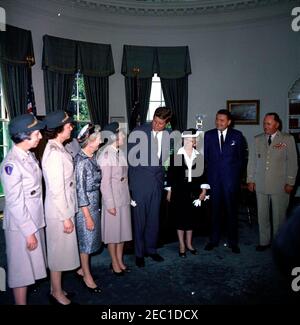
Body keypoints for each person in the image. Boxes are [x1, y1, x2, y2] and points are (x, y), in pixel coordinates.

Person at [0, 114, 47, 305]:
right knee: (21, 272)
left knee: (28, 270)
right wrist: (29, 232)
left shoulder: (27, 156)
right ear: (24, 136)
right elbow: (15, 202)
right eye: (37, 133)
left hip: (33, 219)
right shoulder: (11, 164)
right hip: (21, 226)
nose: (40, 137)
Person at [42, 110, 80, 305]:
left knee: (61, 251)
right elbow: (57, 190)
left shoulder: (59, 147)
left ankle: (55, 288)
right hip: (59, 211)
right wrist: (66, 217)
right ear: (58, 129)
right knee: (57, 252)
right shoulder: (55, 153)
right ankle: (56, 293)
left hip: (62, 208)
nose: (71, 127)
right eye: (68, 126)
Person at [128, 107, 172, 267]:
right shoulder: (138, 132)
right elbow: (130, 161)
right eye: (155, 121)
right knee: (139, 220)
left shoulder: (168, 136)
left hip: (157, 184)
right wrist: (131, 187)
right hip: (140, 183)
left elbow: (164, 161)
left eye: (160, 123)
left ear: (167, 124)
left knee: (154, 219)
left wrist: (165, 184)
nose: (156, 125)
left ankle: (151, 250)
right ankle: (139, 253)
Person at [247, 112, 298, 251]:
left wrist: (290, 182)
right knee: (262, 215)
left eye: (268, 124)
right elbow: (252, 161)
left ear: (277, 124)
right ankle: (264, 241)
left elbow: (293, 163)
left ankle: (278, 243)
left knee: (279, 217)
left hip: (280, 185)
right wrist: (250, 179)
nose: (265, 126)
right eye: (264, 123)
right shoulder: (257, 139)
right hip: (261, 183)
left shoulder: (287, 139)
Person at [204, 109, 245, 254]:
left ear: (229, 122)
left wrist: (235, 178)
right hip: (214, 180)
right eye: (217, 119)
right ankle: (213, 240)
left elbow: (241, 160)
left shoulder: (237, 136)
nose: (218, 122)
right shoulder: (208, 135)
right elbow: (206, 159)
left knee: (231, 212)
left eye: (222, 120)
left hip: (230, 182)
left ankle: (233, 242)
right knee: (214, 211)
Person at [166, 128, 210, 257]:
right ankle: (181, 244)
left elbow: (203, 176)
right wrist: (169, 192)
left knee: (191, 219)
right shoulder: (176, 156)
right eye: (185, 140)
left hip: (193, 192)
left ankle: (189, 243)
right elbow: (171, 176)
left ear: (195, 142)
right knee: (180, 219)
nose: (187, 142)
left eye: (190, 140)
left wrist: (203, 190)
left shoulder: (199, 157)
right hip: (179, 192)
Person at [98, 122, 132, 275]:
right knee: (113, 234)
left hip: (123, 197)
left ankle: (119, 260)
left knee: (122, 232)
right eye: (121, 134)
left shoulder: (120, 152)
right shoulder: (106, 154)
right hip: (112, 200)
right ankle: (114, 262)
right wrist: (109, 204)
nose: (124, 136)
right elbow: (104, 184)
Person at [74, 123, 102, 293]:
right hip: (86, 208)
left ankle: (81, 269)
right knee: (86, 243)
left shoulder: (92, 157)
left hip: (93, 204)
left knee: (90, 241)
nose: (100, 141)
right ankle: (86, 275)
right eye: (98, 138)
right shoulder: (81, 162)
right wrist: (87, 216)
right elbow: (80, 192)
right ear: (90, 141)